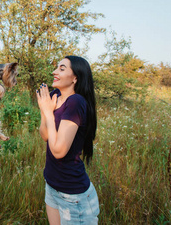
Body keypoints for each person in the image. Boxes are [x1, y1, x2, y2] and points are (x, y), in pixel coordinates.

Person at [36, 55, 100, 224]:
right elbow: (45, 135)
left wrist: (48, 112)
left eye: (62, 68)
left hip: (72, 195)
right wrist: (44, 110)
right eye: (57, 67)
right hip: (52, 186)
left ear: (75, 77)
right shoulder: (55, 95)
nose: (54, 71)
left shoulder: (76, 102)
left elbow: (58, 151)